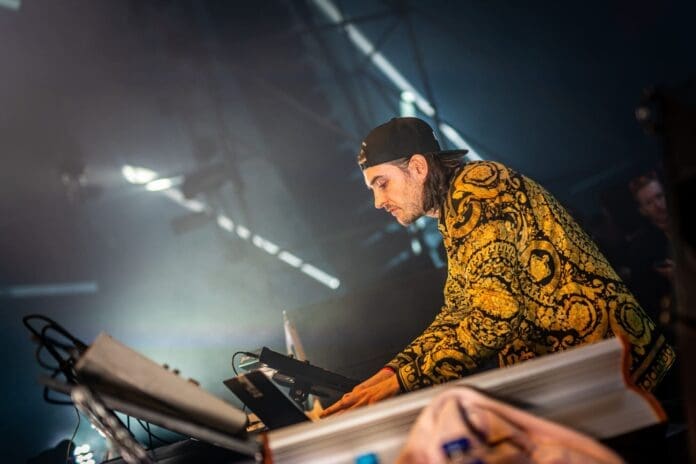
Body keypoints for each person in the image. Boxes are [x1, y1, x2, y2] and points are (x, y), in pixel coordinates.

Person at [321, 117, 675, 417]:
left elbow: (495, 317)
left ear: (417, 167)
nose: (378, 201)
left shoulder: (478, 190)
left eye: (381, 183)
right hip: (592, 379)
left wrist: (400, 384)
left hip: (615, 378)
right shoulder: (457, 206)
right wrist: (384, 377)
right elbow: (458, 313)